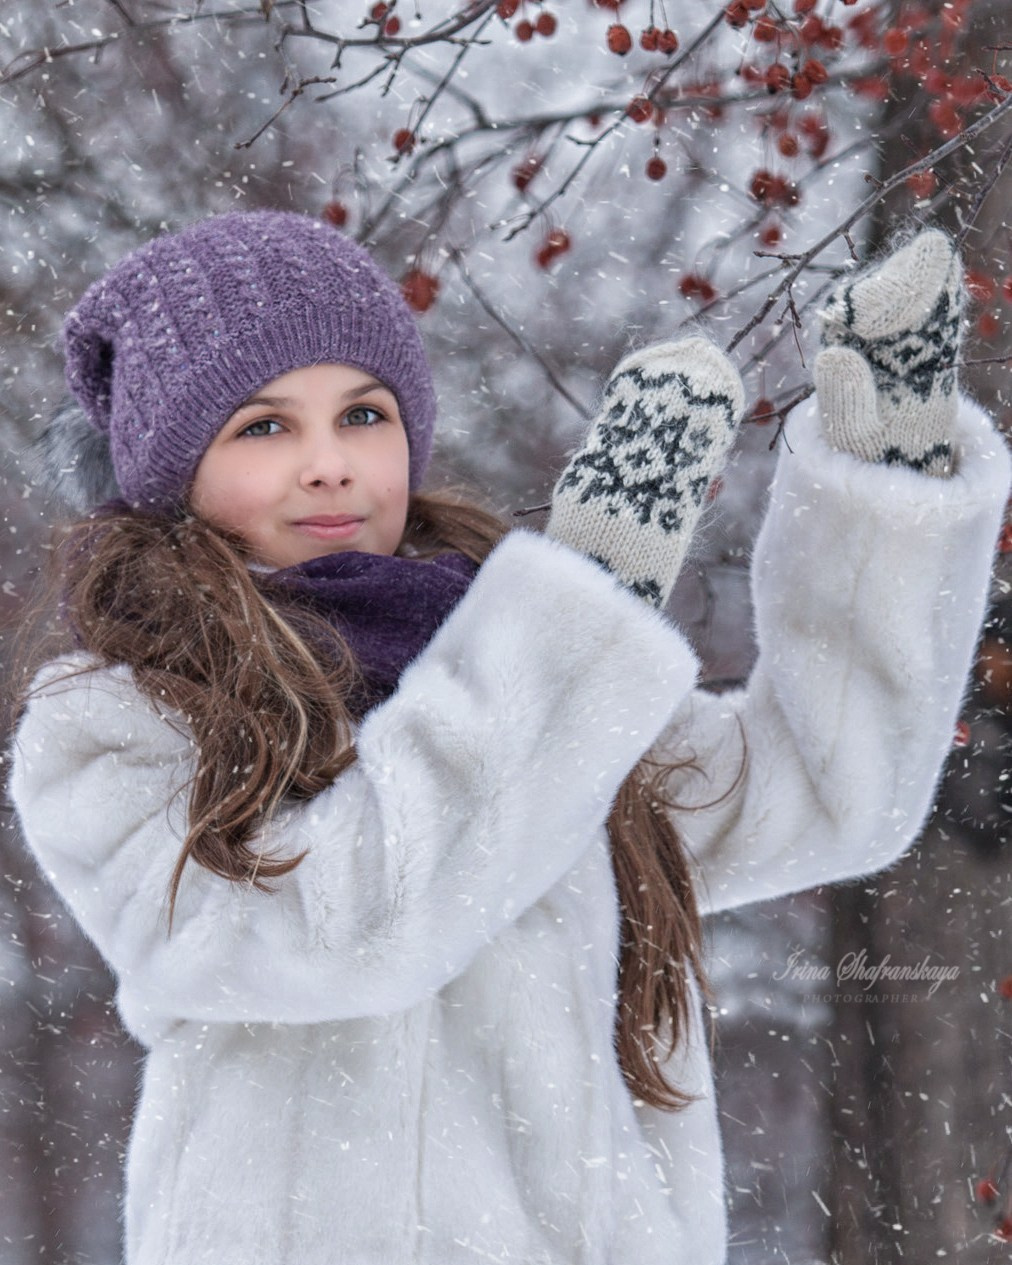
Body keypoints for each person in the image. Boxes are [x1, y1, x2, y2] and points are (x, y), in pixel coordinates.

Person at [6, 210, 1009, 1265]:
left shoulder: (522, 661)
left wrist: (885, 479)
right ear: (170, 473)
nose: (328, 465)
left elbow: (824, 789)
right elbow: (336, 926)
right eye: (263, 427)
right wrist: (585, 596)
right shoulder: (115, 724)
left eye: (363, 414)